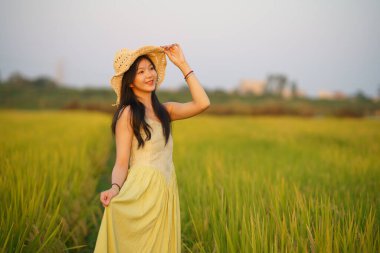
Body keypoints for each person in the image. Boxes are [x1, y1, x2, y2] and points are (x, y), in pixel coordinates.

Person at [93, 43, 210, 253]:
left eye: (151, 68)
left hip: (165, 191)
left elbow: (203, 103)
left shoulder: (167, 110)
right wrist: (114, 188)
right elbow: (121, 162)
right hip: (142, 192)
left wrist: (183, 64)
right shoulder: (127, 114)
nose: (149, 75)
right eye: (141, 71)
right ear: (130, 82)